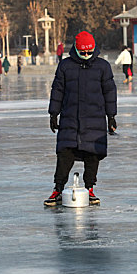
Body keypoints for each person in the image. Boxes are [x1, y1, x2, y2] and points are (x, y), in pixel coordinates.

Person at [45, 31, 117, 207]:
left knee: (93, 154)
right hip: (70, 118)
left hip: (95, 119)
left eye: (89, 52)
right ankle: (58, 189)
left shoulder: (102, 66)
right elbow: (58, 90)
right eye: (82, 52)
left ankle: (90, 188)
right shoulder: (65, 66)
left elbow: (110, 92)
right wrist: (53, 113)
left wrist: (111, 116)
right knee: (64, 153)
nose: (86, 55)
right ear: (76, 50)